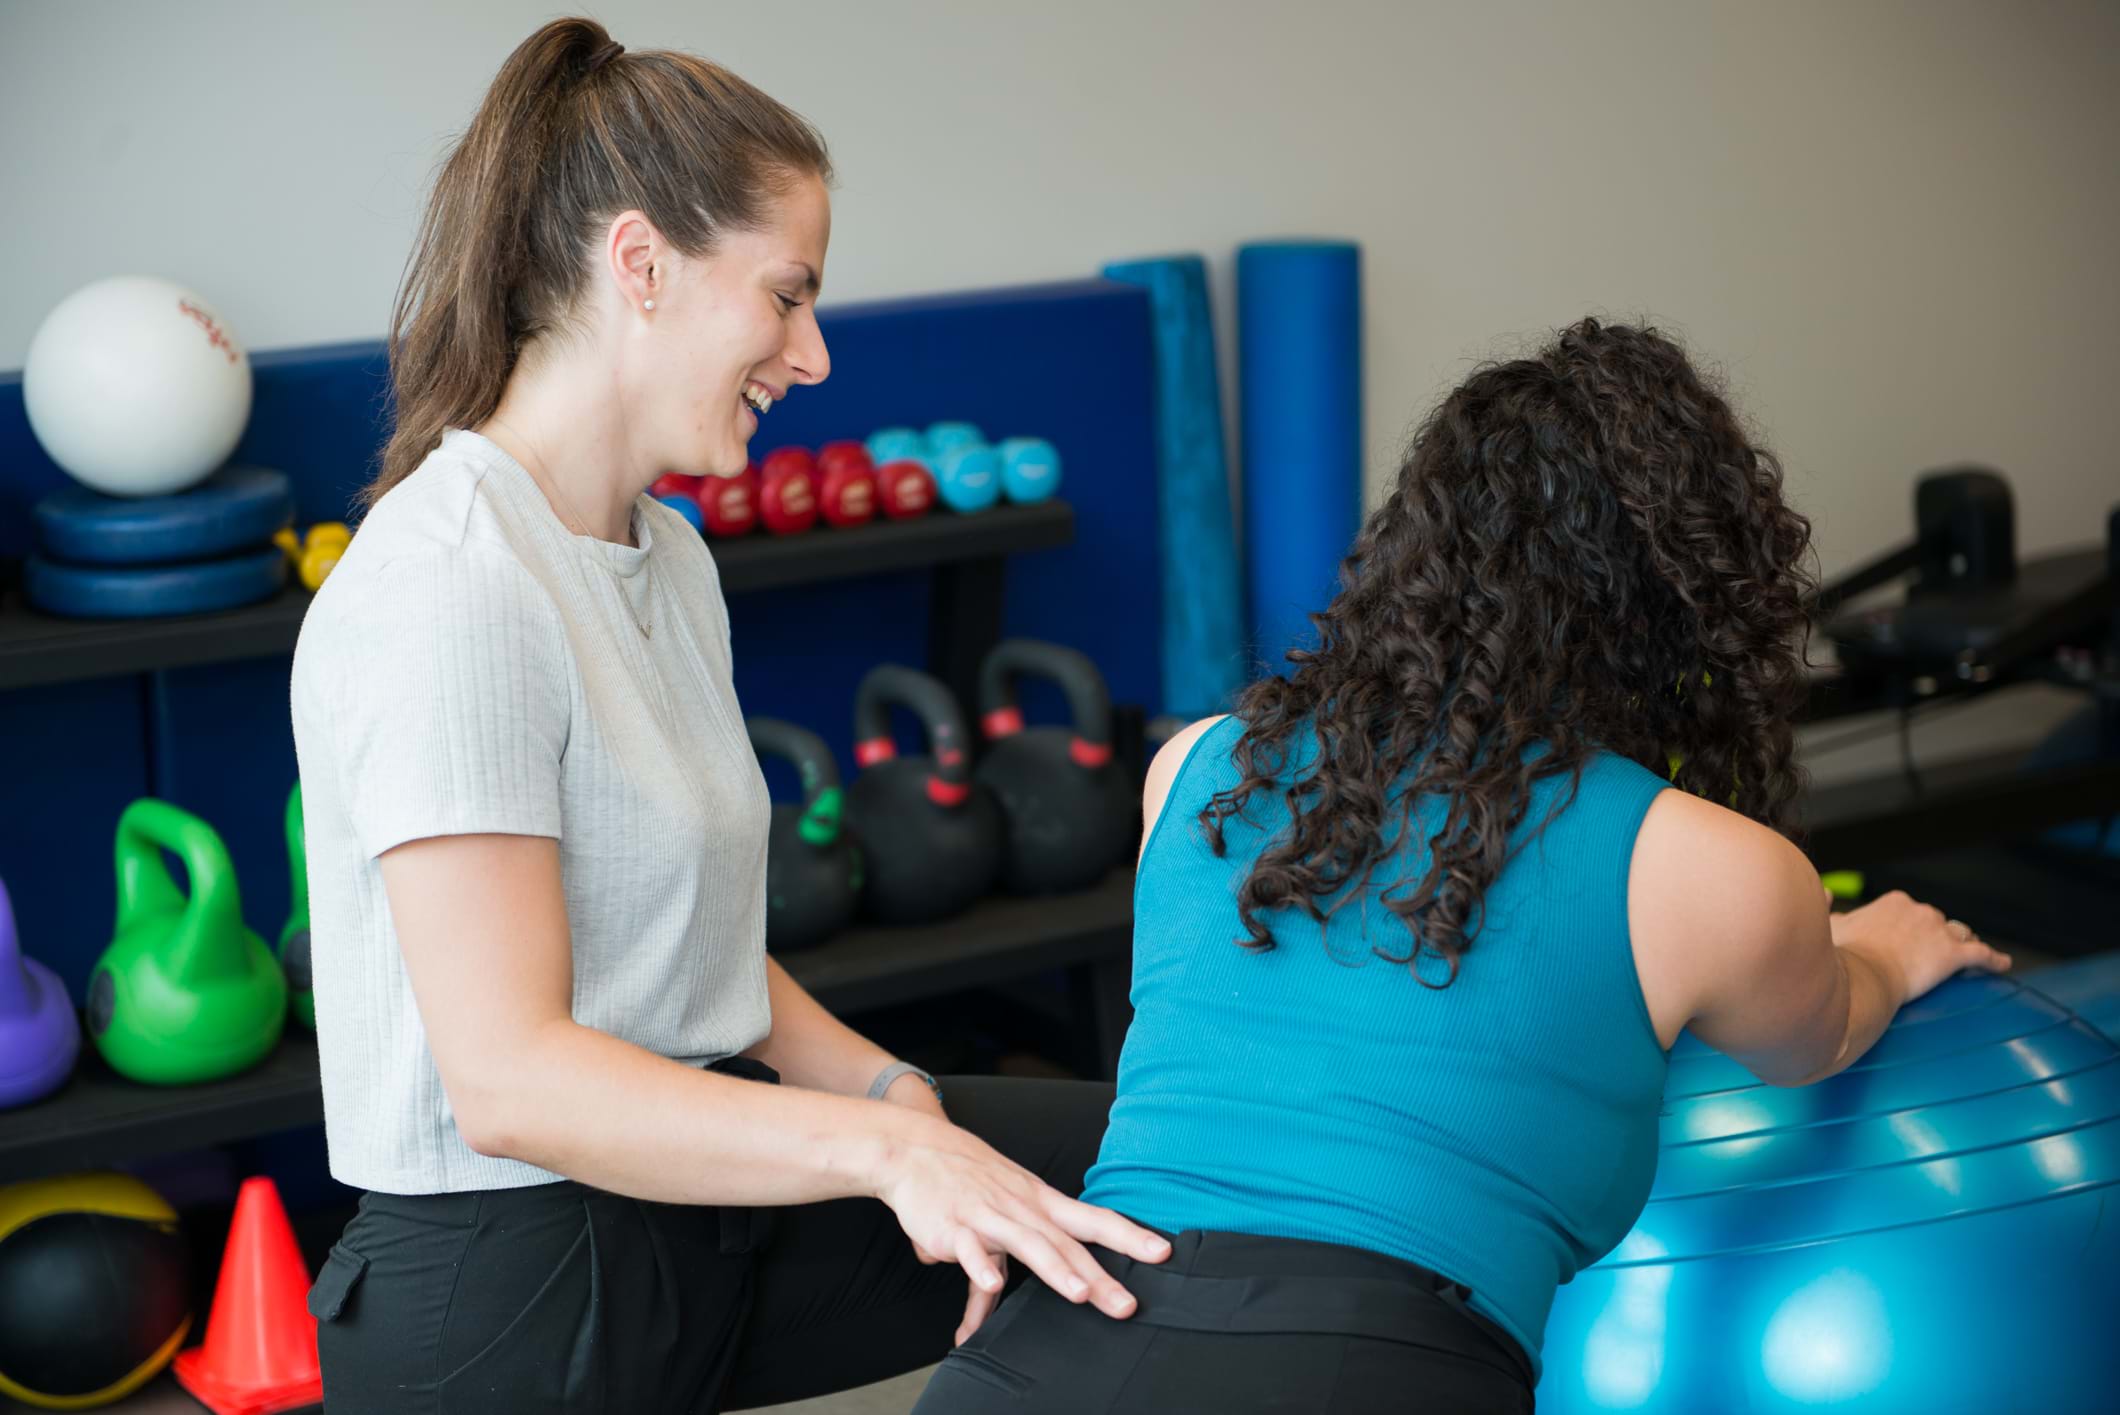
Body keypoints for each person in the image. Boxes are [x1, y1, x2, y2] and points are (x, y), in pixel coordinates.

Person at [288, 18, 1165, 1414]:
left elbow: (699, 964)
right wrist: (881, 1158)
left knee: (1167, 1180)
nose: (812, 354)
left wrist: (891, 1095)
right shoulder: (450, 582)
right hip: (508, 1283)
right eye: (787, 296)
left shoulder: (671, 557)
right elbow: (513, 1079)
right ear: (640, 266)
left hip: (695, 1201)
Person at [912, 318, 2011, 1415]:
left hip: (1040, 1350)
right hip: (1353, 1364)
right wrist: (1879, 951)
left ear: (1412, 554)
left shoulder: (1194, 765)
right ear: (1685, 597)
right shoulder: (1716, 867)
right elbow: (1809, 1039)